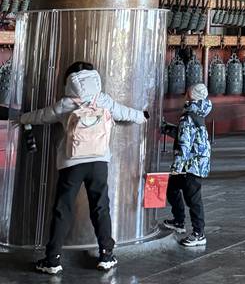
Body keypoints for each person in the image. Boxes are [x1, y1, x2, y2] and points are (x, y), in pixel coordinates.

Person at [19, 60, 147, 275]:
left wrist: (23, 118)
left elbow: (42, 116)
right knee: (101, 207)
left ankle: (52, 260)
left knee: (63, 209)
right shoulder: (103, 100)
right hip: (99, 161)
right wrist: (143, 116)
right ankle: (106, 255)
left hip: (72, 163)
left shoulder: (66, 103)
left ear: (69, 81)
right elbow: (124, 112)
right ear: (95, 77)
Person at [161, 83, 212, 247]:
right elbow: (185, 134)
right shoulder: (197, 112)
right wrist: (167, 128)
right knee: (172, 188)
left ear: (190, 96)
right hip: (195, 161)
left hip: (191, 164)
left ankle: (199, 233)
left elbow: (184, 144)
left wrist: (176, 167)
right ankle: (179, 221)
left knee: (193, 199)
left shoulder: (188, 116)